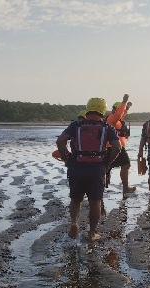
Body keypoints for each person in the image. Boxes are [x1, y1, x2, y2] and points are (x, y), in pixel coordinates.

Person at [56, 97, 121, 242]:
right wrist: (107, 162)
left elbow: (60, 141)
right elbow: (117, 147)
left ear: (88, 108)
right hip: (96, 169)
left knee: (76, 199)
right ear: (103, 111)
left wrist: (66, 159)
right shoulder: (107, 127)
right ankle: (92, 233)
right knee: (95, 201)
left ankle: (74, 223)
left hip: (77, 166)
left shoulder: (76, 125)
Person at [106, 94, 135, 194]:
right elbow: (119, 114)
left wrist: (127, 108)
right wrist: (124, 101)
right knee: (125, 165)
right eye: (121, 109)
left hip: (114, 147)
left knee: (108, 166)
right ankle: (125, 188)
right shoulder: (112, 118)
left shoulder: (115, 118)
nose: (122, 112)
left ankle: (104, 185)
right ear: (115, 109)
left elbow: (121, 114)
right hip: (114, 147)